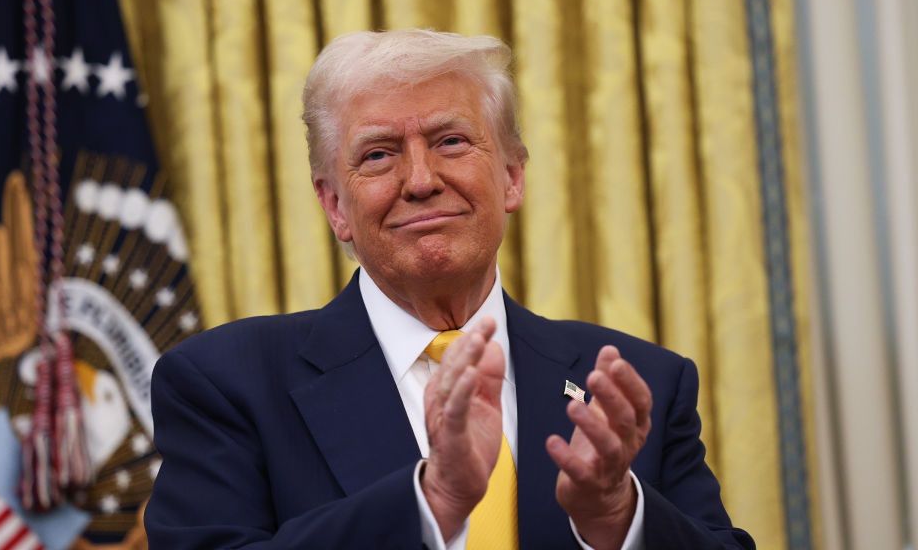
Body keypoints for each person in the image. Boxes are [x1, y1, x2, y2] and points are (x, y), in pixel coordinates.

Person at [144, 29, 754, 550]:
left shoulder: (636, 381)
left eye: (450, 142)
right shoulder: (227, 382)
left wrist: (619, 516)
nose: (420, 180)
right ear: (335, 206)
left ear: (512, 177)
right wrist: (431, 500)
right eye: (379, 154)